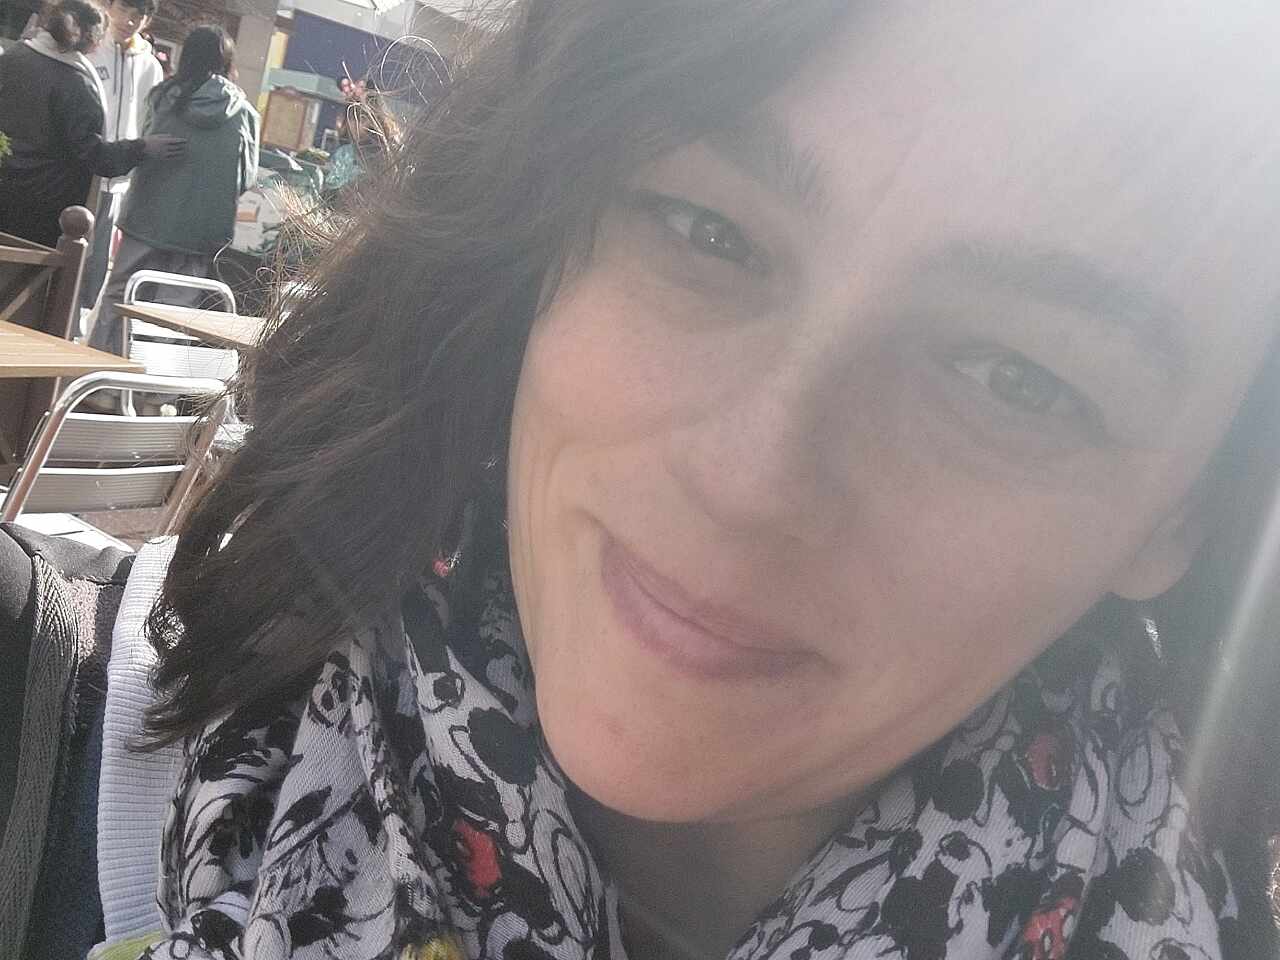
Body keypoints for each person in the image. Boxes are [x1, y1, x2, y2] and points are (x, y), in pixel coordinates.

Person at [13, 0, 1276, 957]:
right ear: (538, 228)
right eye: (704, 229)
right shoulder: (41, 722)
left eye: (1016, 379)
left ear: (1182, 511)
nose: (745, 482)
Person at [88, 24, 258, 358]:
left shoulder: (163, 97)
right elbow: (246, 178)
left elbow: (143, 144)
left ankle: (97, 367)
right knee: (174, 311)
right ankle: (151, 381)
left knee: (121, 295)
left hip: (146, 218)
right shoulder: (244, 113)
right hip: (200, 232)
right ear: (227, 61)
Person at [0, 0, 182, 249]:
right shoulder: (76, 83)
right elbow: (92, 153)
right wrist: (142, 148)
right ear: (93, 41)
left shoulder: (15, 56)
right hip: (48, 201)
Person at [78, 0, 165, 321]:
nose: (130, 20)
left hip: (119, 179)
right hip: (82, 169)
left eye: (139, 15)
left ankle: (78, 323)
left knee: (97, 259)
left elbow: (149, 121)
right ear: (109, 6)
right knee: (72, 247)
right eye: (126, 9)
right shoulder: (90, 47)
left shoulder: (150, 66)